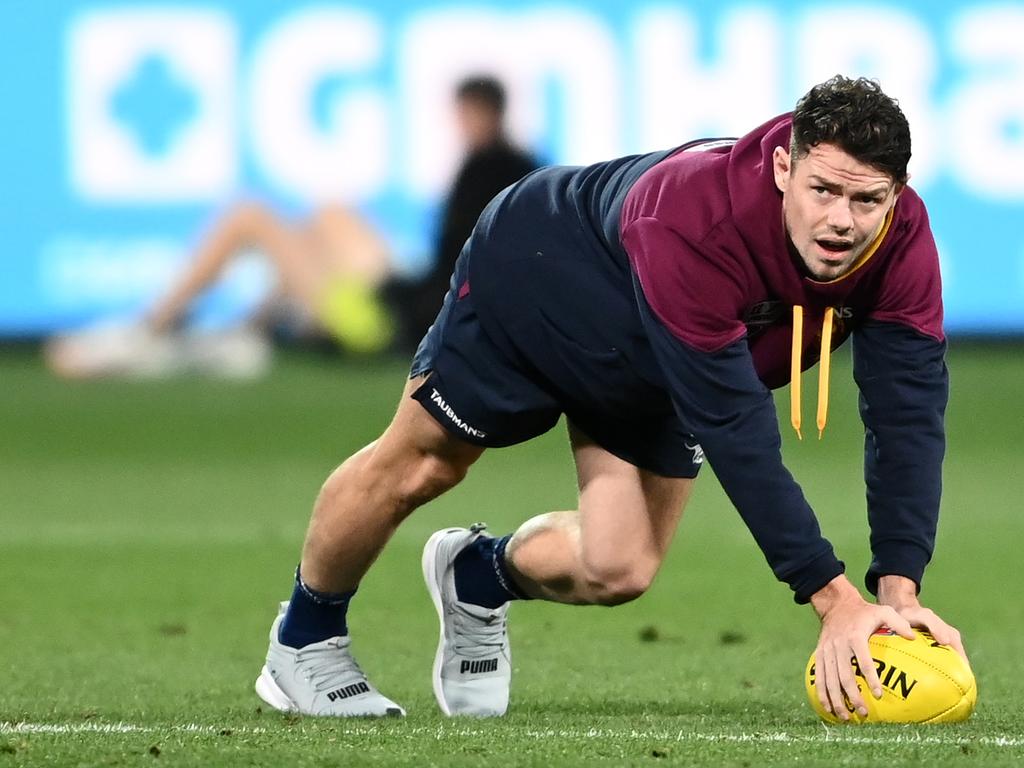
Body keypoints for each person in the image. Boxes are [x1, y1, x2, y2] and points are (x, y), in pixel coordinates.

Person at [254, 75, 968, 721]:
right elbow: (734, 426)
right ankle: (305, 641)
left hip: (662, 350)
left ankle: (477, 574)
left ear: (897, 195)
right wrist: (833, 598)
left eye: (867, 199)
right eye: (824, 191)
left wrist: (899, 588)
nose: (842, 220)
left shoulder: (901, 246)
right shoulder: (697, 217)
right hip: (545, 276)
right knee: (425, 462)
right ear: (785, 166)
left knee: (619, 567)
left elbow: (906, 414)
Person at [45, 202, 393, 379]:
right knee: (324, 216)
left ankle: (150, 328)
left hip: (375, 323)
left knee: (251, 217)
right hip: (376, 312)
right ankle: (244, 332)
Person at [384, 75, 539, 352]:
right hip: (467, 297)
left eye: (467, 113)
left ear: (490, 113)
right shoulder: (522, 167)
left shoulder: (492, 169)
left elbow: (462, 249)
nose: (461, 123)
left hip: (458, 302)